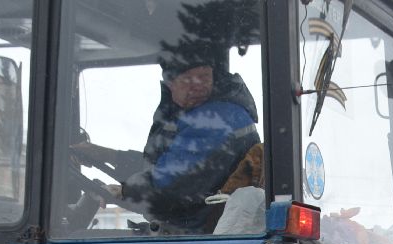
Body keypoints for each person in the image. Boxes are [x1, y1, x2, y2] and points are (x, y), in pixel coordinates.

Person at [73, 44, 260, 233]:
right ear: (170, 83)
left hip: (196, 234)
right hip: (194, 226)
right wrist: (107, 155)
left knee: (78, 237)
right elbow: (169, 166)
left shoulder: (215, 118)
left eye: (204, 76)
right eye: (187, 79)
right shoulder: (201, 112)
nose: (198, 86)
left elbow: (172, 186)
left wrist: (124, 191)